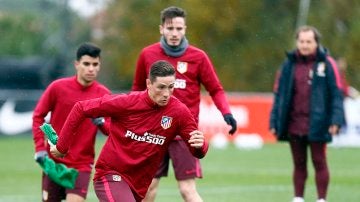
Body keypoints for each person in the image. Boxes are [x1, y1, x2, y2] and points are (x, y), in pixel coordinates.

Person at [50, 60, 209, 202]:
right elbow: (80, 108)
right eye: (161, 87)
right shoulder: (126, 103)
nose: (166, 93)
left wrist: (201, 145)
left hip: (138, 185)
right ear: (148, 84)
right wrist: (61, 147)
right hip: (110, 175)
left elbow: (198, 151)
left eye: (171, 87)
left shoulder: (179, 112)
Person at [132, 6, 237, 202]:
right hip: (153, 132)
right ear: (161, 29)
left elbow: (215, 89)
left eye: (179, 28)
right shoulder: (147, 54)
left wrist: (226, 112)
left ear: (185, 29)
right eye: (170, 28)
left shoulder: (198, 57)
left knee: (187, 190)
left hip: (184, 133)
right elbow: (137, 89)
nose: (174, 33)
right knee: (148, 187)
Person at [269, 25, 345, 202]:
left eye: (308, 42)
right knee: (299, 163)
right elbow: (279, 94)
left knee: (319, 161)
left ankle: (321, 199)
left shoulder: (327, 63)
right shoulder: (288, 64)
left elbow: (336, 93)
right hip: (295, 122)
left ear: (316, 43)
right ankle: (298, 198)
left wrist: (336, 119)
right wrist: (274, 121)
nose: (304, 45)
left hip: (318, 122)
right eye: (301, 41)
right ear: (297, 42)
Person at [32, 42, 111, 202]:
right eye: (86, 64)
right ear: (77, 64)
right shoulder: (57, 87)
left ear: (99, 66)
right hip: (53, 161)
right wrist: (40, 148)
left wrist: (101, 122)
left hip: (82, 164)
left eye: (95, 64)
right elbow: (38, 116)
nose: (91, 69)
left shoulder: (104, 95)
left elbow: (112, 130)